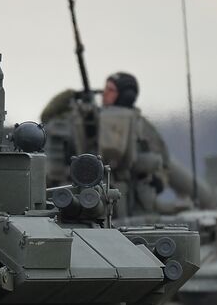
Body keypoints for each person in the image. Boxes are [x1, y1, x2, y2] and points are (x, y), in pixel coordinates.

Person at [40, 71, 172, 216]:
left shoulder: (143, 127)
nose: (104, 94)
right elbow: (48, 119)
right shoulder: (87, 121)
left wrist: (156, 180)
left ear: (125, 95)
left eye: (110, 90)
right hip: (88, 195)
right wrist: (68, 96)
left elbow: (162, 163)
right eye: (105, 89)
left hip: (133, 201)